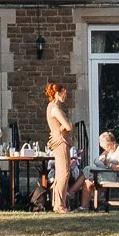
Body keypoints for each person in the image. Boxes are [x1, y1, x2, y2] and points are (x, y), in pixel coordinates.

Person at [45, 82, 75, 213]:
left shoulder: (51, 107)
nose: (65, 96)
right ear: (57, 94)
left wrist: (59, 129)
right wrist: (61, 129)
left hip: (59, 139)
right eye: (64, 93)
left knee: (60, 173)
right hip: (61, 141)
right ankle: (59, 204)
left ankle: (57, 203)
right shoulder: (55, 108)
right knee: (64, 173)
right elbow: (68, 126)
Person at [86, 132, 119, 211]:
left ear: (111, 143)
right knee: (87, 175)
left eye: (106, 147)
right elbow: (98, 160)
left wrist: (108, 163)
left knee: (88, 172)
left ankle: (76, 196)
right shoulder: (108, 151)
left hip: (115, 175)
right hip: (106, 173)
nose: (106, 149)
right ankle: (85, 206)